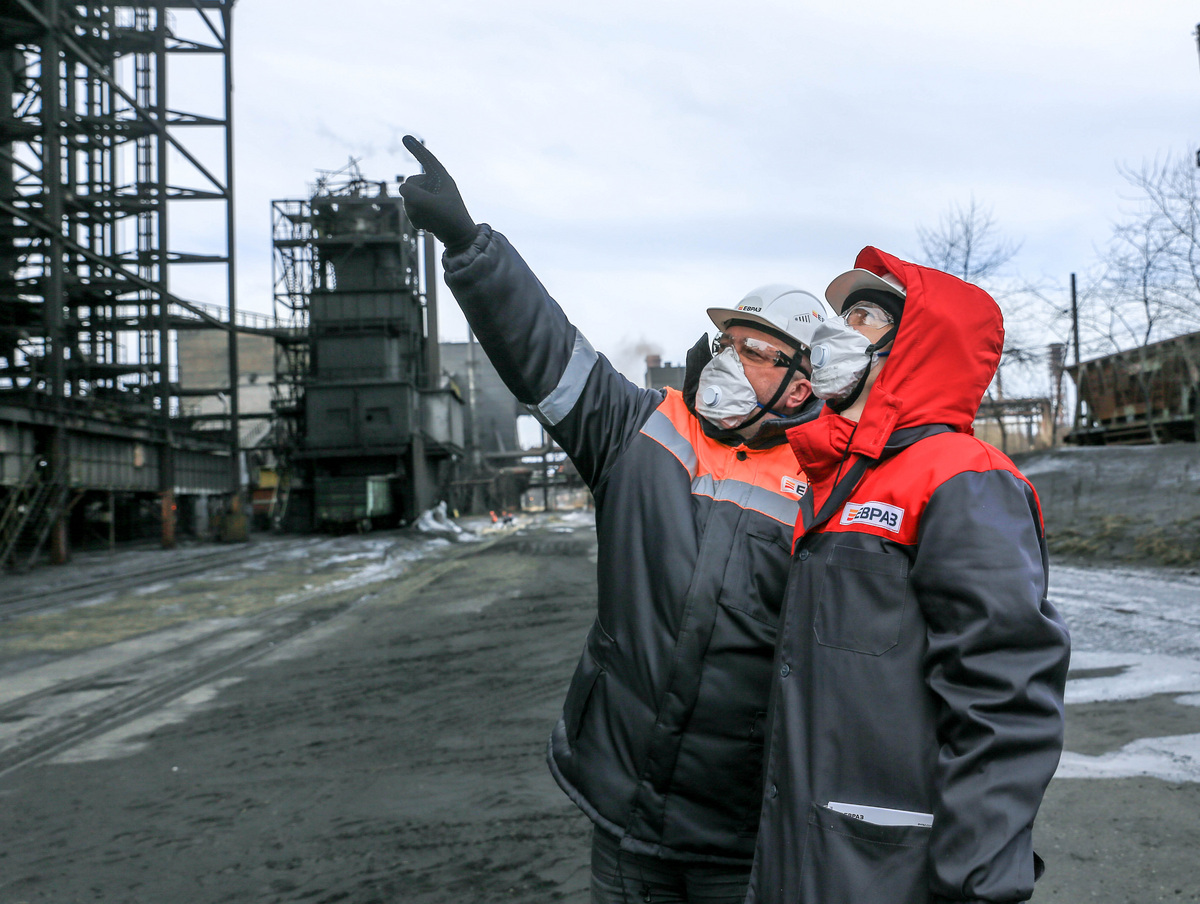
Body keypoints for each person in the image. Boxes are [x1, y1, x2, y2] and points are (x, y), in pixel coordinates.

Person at [397, 135, 837, 903]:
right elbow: (548, 353)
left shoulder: (827, 490)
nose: (728, 360)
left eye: (755, 351)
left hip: (744, 837)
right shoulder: (643, 433)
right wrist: (470, 244)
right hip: (622, 808)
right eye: (726, 343)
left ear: (801, 385)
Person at [744, 247, 1071, 904]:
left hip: (889, 870)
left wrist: (975, 886)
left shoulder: (961, 478)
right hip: (809, 860)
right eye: (840, 312)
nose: (835, 329)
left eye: (861, 314)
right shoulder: (842, 480)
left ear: (917, 341)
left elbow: (1004, 702)